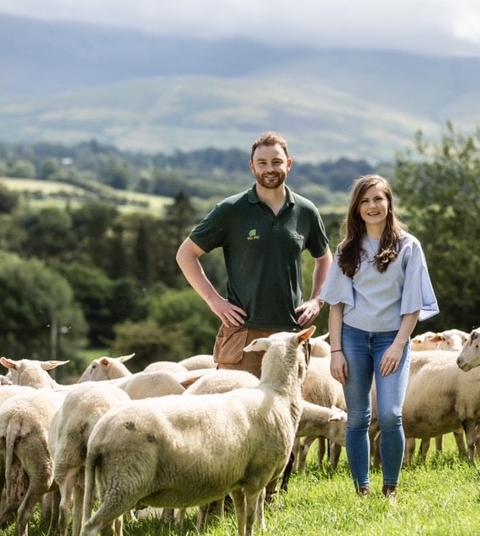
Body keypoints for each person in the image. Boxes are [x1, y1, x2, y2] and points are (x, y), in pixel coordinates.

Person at [320, 174, 439, 500]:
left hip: (392, 339)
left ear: (388, 203)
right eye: (365, 201)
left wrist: (398, 346)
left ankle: (390, 488)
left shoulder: (408, 247)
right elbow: (336, 307)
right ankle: (362, 489)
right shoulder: (347, 249)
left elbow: (413, 306)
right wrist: (336, 351)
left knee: (390, 414)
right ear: (356, 208)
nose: (372, 206)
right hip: (354, 339)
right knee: (358, 417)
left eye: (378, 199)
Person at [176, 131, 332, 378]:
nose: (270, 168)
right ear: (252, 167)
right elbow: (186, 254)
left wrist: (317, 300)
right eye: (262, 163)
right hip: (243, 335)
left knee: (287, 414)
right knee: (237, 414)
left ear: (288, 164)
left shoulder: (306, 211)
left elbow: (324, 259)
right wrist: (214, 301)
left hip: (291, 335)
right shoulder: (230, 211)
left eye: (276, 162)